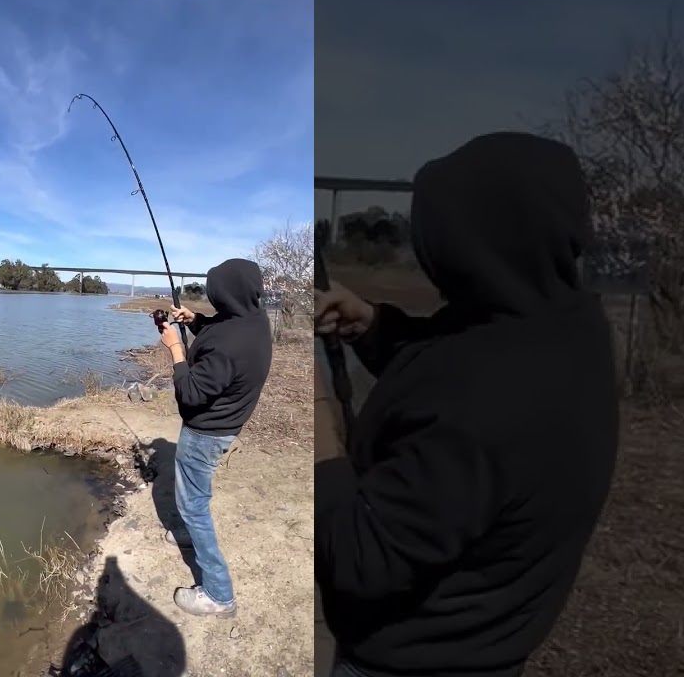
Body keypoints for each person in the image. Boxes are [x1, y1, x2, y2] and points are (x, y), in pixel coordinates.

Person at [314, 132, 619, 677]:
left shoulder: (488, 401)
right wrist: (377, 327)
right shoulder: (568, 328)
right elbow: (461, 358)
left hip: (415, 660)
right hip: (488, 637)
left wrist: (317, 428)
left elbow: (360, 558)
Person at [156, 257, 272, 618]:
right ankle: (191, 532)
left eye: (213, 290)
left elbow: (190, 392)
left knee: (193, 504)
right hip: (225, 425)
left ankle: (219, 596)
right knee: (196, 498)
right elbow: (223, 331)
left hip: (206, 432)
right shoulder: (253, 320)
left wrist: (175, 348)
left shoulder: (228, 346)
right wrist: (197, 321)